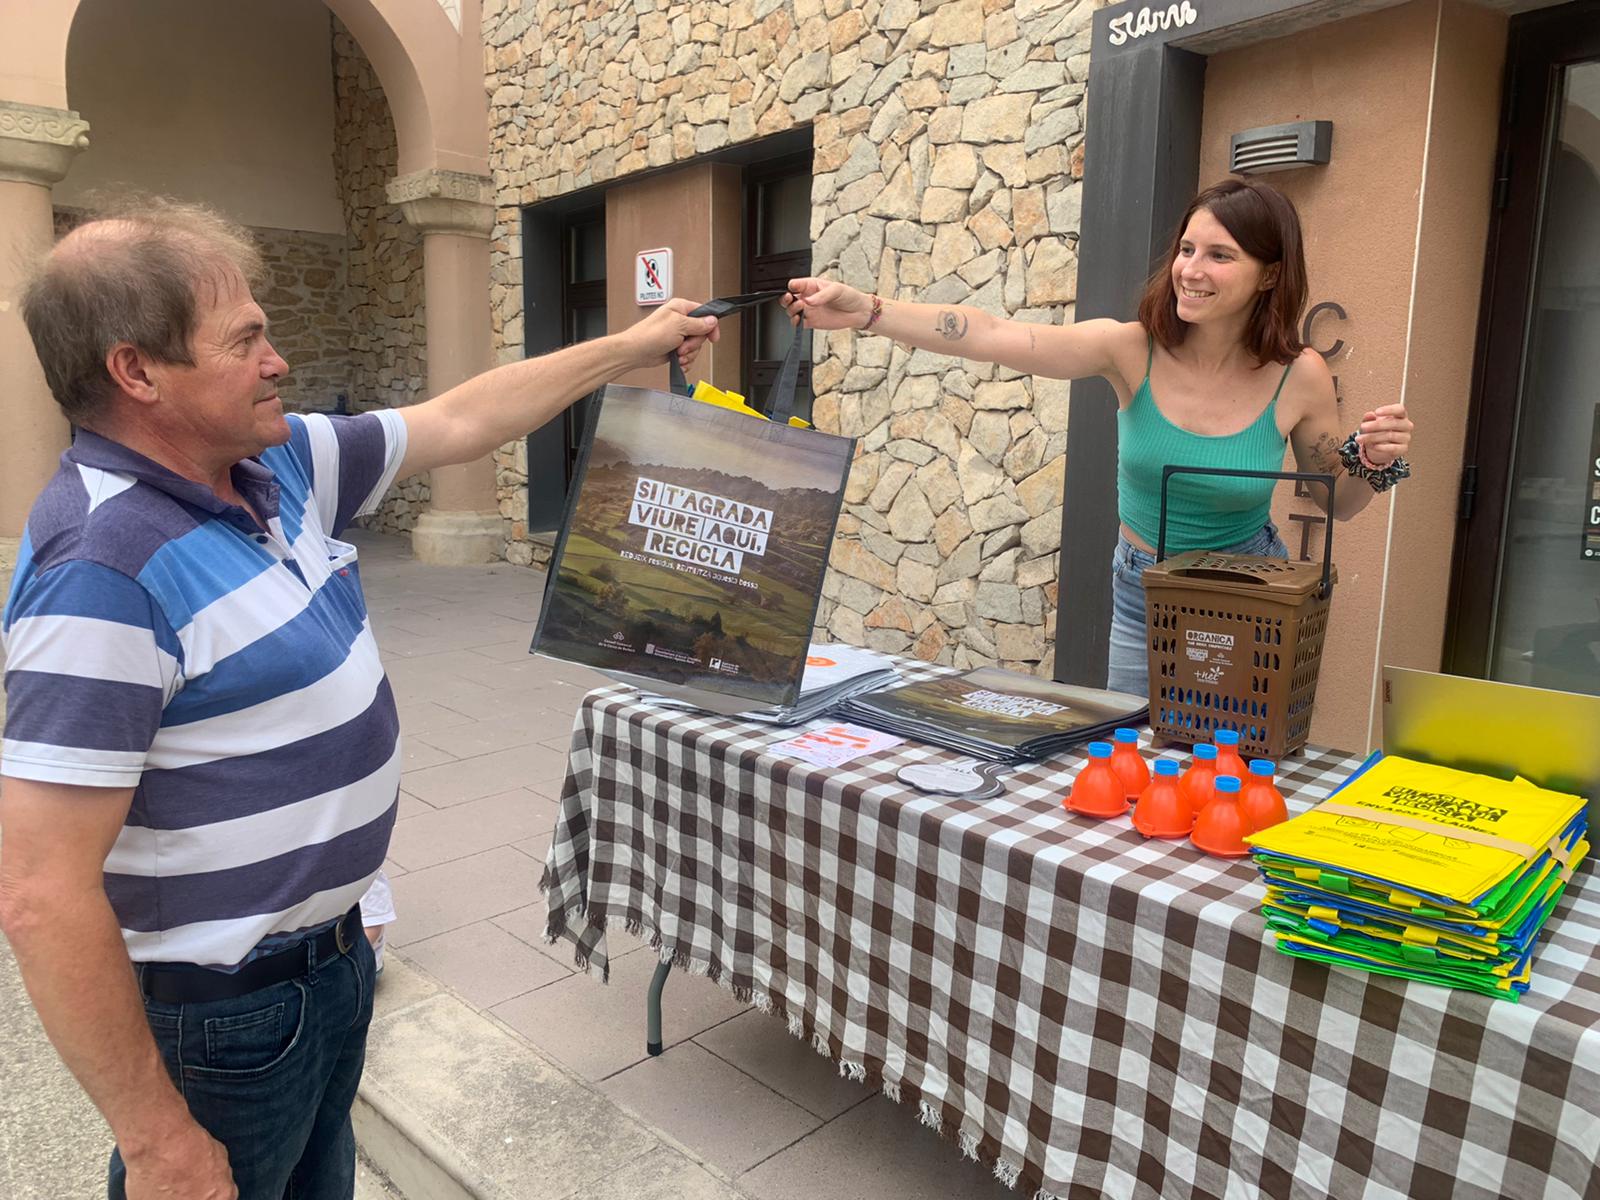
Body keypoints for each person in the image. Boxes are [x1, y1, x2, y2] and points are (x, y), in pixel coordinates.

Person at [0, 196, 718, 1200]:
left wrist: (632, 346)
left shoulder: (277, 462)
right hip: (223, 1023)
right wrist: (158, 1136)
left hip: (329, 971)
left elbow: (462, 417)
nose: (277, 361)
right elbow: (39, 891)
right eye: (245, 339)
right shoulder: (101, 572)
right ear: (136, 371)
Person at [783, 178, 1413, 694]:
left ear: (1270, 276)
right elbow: (993, 333)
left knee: (1229, 768)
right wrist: (868, 310)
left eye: (1220, 256)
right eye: (1187, 250)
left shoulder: (1298, 374)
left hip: (1245, 596)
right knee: (1138, 762)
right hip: (1143, 588)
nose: (1192, 270)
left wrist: (1372, 462)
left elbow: (1337, 500)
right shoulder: (1131, 348)